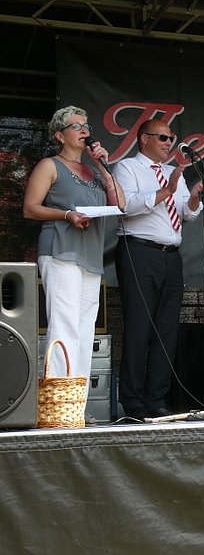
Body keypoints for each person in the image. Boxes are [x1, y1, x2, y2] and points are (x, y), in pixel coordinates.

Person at [22, 106, 125, 406]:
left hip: (90, 255)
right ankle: (58, 403)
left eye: (86, 125)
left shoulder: (94, 171)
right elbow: (30, 208)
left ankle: (76, 405)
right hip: (61, 249)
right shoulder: (50, 165)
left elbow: (120, 204)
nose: (84, 130)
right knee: (64, 324)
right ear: (59, 135)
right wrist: (66, 214)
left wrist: (103, 166)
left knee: (85, 329)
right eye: (76, 126)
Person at [114, 119, 204, 420]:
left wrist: (194, 197)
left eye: (171, 138)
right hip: (139, 251)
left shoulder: (171, 171)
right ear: (144, 138)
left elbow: (187, 214)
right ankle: (132, 401)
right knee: (139, 327)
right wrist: (167, 190)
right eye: (163, 137)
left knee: (166, 329)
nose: (169, 143)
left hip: (171, 255)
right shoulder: (127, 168)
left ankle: (156, 399)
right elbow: (126, 206)